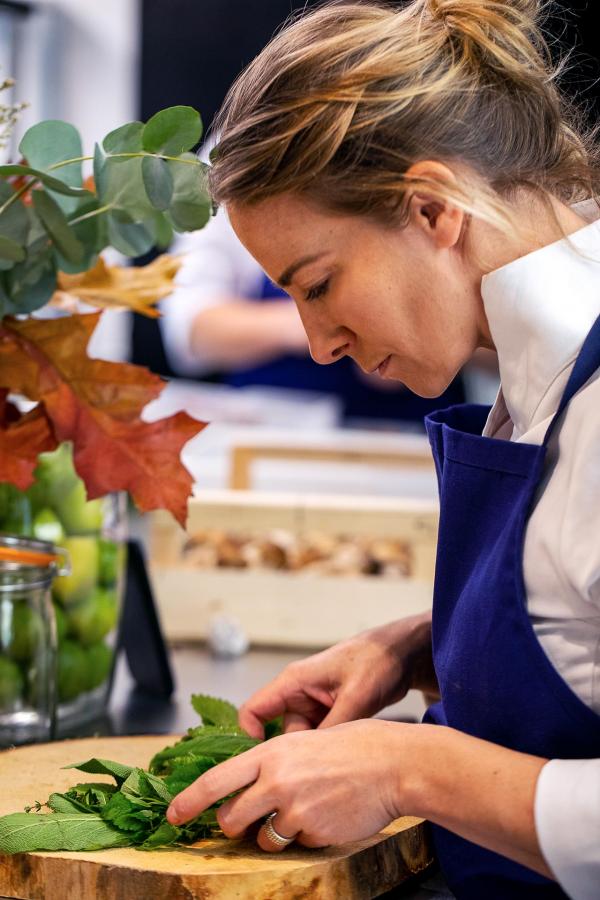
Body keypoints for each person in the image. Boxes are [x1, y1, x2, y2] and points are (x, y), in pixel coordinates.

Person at [164, 2, 600, 897]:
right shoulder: (534, 382)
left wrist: (404, 768)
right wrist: (426, 649)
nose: (318, 343)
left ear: (433, 208)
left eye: (319, 285)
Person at [161, 202, 467, 424]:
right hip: (271, 432)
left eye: (319, 285)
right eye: (313, 288)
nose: (322, 351)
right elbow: (187, 329)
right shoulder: (234, 161)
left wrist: (420, 333)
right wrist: (311, 324)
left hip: (410, 438)